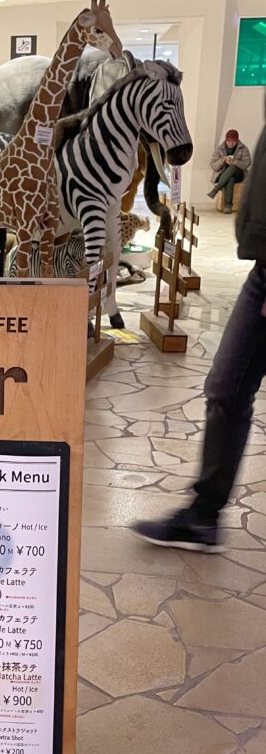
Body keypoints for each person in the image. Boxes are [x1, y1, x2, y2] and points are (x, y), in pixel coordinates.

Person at [135, 100, 265, 552]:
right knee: (225, 389)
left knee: (227, 388)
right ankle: (204, 516)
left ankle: (203, 515)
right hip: (261, 268)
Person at [208, 129, 251, 213]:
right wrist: (222, 161)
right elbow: (213, 166)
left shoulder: (243, 148)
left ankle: (216, 188)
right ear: (226, 140)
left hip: (238, 174)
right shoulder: (220, 148)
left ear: (237, 141)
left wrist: (234, 162)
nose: (231, 144)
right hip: (222, 174)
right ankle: (228, 205)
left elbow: (247, 164)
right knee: (230, 179)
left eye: (233, 142)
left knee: (233, 167)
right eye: (229, 142)